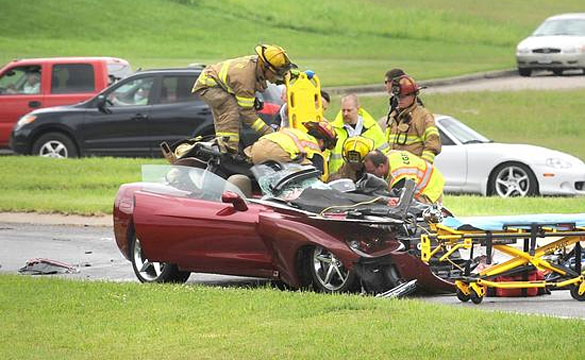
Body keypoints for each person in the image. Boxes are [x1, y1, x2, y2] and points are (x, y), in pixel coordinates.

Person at [192, 44, 295, 153]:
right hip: (209, 86)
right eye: (276, 74)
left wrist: (296, 76)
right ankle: (227, 151)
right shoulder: (245, 80)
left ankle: (230, 149)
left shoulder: (258, 64)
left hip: (223, 85)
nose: (278, 77)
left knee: (236, 118)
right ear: (265, 67)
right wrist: (268, 131)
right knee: (231, 111)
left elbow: (276, 74)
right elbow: (246, 113)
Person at [244, 120, 337, 175]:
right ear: (321, 141)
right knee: (309, 170)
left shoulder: (295, 133)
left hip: (255, 148)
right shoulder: (313, 146)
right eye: (325, 147)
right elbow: (318, 174)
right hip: (276, 152)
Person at [385, 74, 441, 164]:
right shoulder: (393, 116)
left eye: (403, 96)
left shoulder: (423, 116)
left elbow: (432, 144)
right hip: (396, 169)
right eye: (398, 97)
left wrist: (423, 166)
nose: (400, 100)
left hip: (414, 170)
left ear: (414, 95)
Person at [328, 94, 387, 175]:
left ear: (358, 109)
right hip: (340, 176)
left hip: (368, 176)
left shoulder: (372, 128)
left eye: (349, 110)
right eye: (343, 110)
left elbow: (384, 153)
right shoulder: (333, 129)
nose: (345, 114)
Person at [363, 149, 445, 204]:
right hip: (428, 176)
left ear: (381, 166)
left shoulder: (399, 175)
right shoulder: (390, 156)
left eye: (372, 171)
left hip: (430, 187)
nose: (371, 175)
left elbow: (400, 200)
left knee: (416, 211)